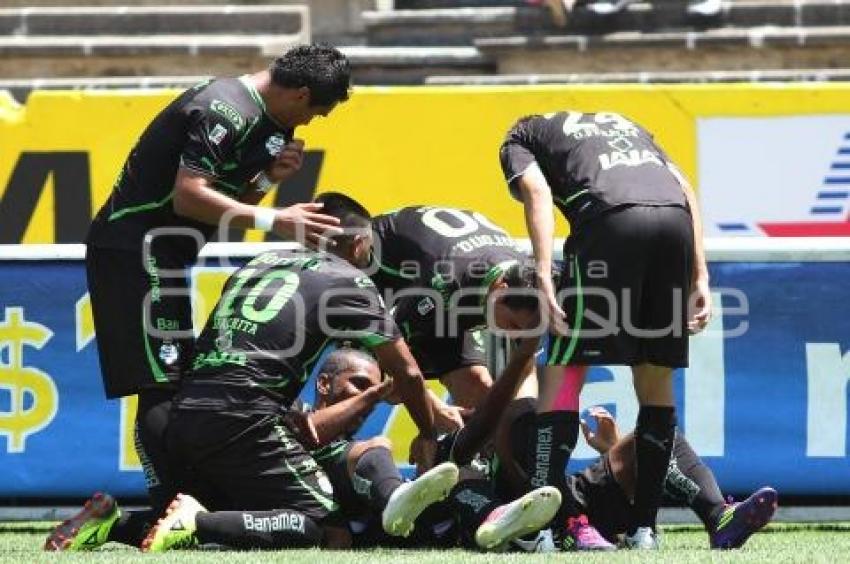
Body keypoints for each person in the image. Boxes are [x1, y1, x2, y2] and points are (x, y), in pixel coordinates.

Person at [48, 43, 351, 553]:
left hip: (166, 256)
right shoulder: (222, 108)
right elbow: (188, 194)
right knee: (159, 384)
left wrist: (267, 180)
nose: (315, 121)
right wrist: (277, 219)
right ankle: (169, 507)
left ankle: (166, 511)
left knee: (174, 381)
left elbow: (226, 204)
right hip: (132, 248)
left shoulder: (277, 126)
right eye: (317, 110)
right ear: (299, 92)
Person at [500, 110, 712, 549]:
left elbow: (538, 195)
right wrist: (701, 276)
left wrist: (543, 272)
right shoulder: (630, 125)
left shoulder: (519, 137)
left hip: (610, 222)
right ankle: (644, 530)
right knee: (655, 379)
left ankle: (543, 527)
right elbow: (685, 190)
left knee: (562, 367)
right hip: (674, 223)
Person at [314, 193, 542, 411]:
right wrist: (434, 411)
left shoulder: (529, 280)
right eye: (512, 326)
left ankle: (479, 448)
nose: (514, 334)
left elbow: (525, 363)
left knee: (477, 388)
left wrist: (525, 415)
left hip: (441, 274)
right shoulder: (447, 283)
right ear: (500, 291)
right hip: (392, 276)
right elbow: (399, 361)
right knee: (366, 376)